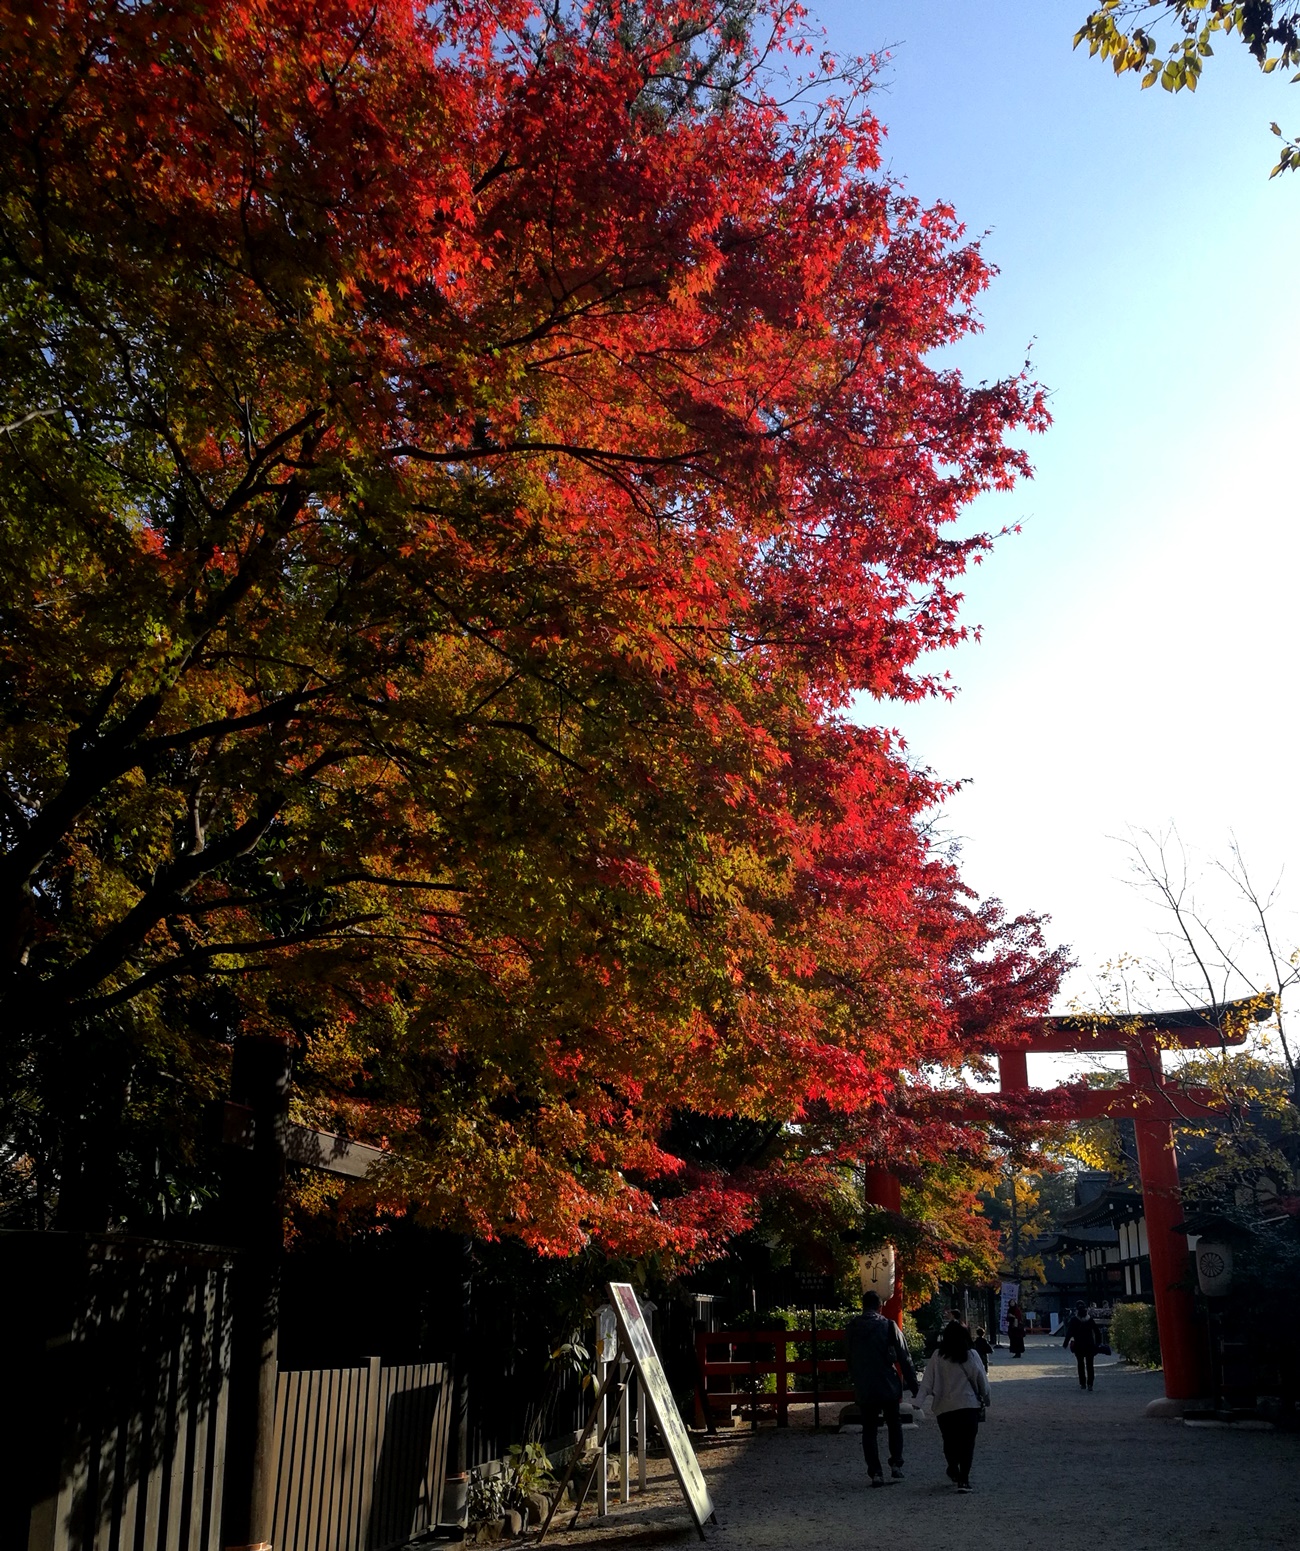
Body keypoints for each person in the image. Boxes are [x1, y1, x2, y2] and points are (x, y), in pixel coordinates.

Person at [845, 1290, 919, 1488]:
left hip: (865, 1385)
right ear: (880, 1306)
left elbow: (849, 1357)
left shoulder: (852, 1327)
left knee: (868, 1429)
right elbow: (904, 1357)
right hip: (887, 1383)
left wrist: (856, 1378)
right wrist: (914, 1386)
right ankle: (896, 1463)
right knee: (894, 1424)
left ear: (863, 1305)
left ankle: (875, 1472)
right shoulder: (888, 1325)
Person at [915, 1320, 991, 1493]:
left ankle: (952, 1466)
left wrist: (917, 1403)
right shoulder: (971, 1355)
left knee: (949, 1441)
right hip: (968, 1405)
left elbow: (927, 1382)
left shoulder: (937, 1356)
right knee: (967, 1443)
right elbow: (982, 1382)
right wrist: (986, 1399)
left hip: (945, 1406)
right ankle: (964, 1479)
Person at [1062, 1300, 1102, 1391]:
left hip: (1078, 1345)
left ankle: (1082, 1383)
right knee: (1090, 1365)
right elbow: (1097, 1332)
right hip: (1089, 1345)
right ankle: (1090, 1384)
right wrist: (1098, 1343)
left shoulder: (1074, 1320)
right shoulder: (1090, 1320)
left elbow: (1069, 1333)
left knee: (1080, 1364)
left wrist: (1065, 1343)